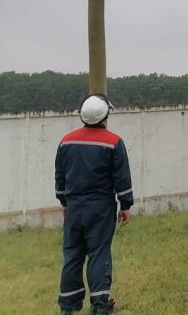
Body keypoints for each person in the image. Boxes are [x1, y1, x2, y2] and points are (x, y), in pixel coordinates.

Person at [55, 94, 134, 315]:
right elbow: (122, 177)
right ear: (105, 115)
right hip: (100, 209)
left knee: (72, 255)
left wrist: (64, 201)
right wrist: (125, 205)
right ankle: (100, 307)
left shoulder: (66, 141)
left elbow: (60, 176)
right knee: (98, 254)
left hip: (74, 208)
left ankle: (67, 307)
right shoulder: (113, 142)